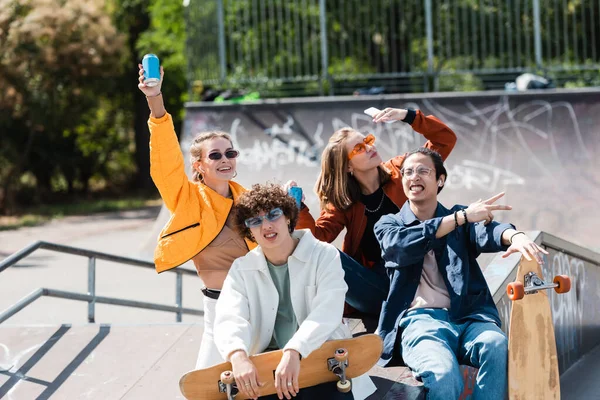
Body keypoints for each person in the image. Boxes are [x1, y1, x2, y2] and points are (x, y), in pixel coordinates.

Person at [373, 147, 548, 400]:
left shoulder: (461, 220)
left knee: (496, 346)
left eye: (423, 171)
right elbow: (399, 247)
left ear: (440, 179)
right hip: (420, 321)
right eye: (408, 172)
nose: (414, 177)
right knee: (444, 376)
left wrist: (515, 236)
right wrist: (460, 217)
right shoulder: (390, 224)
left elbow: (487, 232)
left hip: (467, 317)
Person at [138, 65, 257, 369]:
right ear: (200, 164)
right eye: (215, 155)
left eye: (230, 153)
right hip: (219, 309)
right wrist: (156, 101)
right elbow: (164, 161)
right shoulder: (188, 198)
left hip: (262, 303)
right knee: (206, 383)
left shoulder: (250, 198)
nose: (225, 160)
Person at [214, 183, 376, 400]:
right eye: (255, 221)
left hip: (321, 360)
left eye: (273, 215)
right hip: (268, 367)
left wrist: (294, 350)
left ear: (288, 217)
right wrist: (238, 355)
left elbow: (328, 310)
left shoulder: (323, 255)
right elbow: (230, 316)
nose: (266, 226)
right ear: (249, 231)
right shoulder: (242, 269)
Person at [289, 107, 457, 317]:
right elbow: (316, 239)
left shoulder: (402, 171)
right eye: (359, 148)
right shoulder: (343, 202)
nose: (370, 147)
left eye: (367, 141)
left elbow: (445, 140)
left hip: (422, 276)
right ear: (347, 166)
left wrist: (409, 116)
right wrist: (297, 208)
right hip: (379, 290)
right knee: (326, 255)